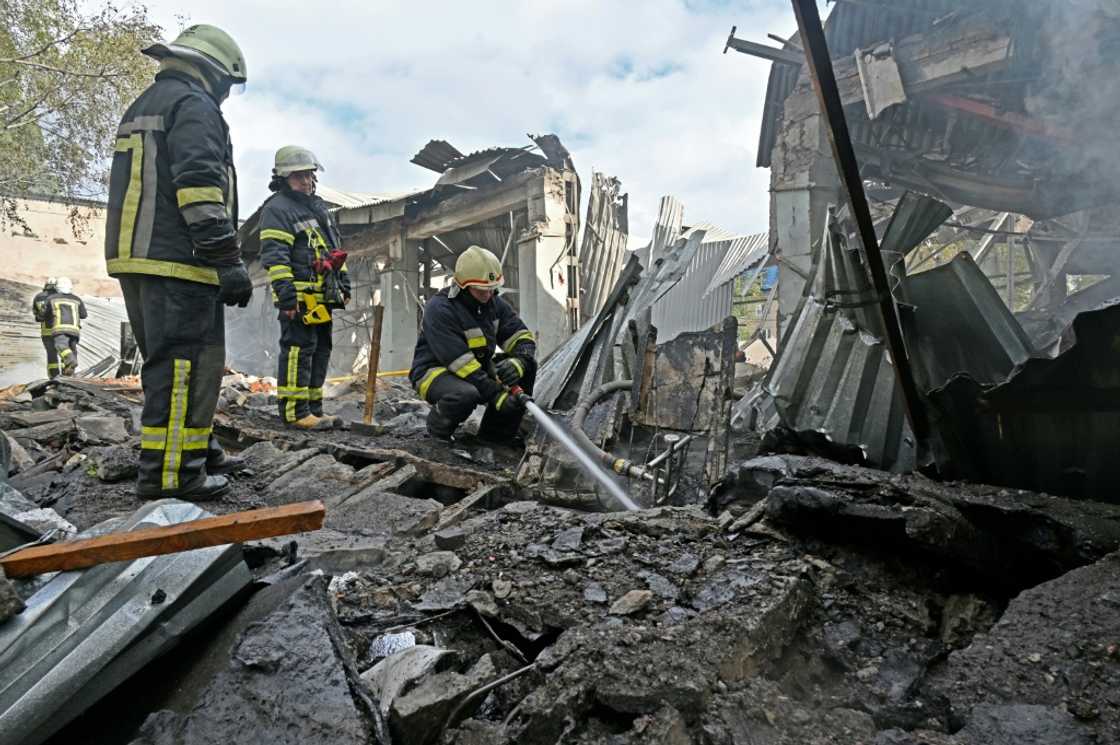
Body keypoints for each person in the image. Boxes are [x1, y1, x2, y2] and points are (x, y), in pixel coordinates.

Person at [104, 24, 251, 500]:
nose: (226, 96)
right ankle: (172, 478)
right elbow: (201, 191)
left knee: (176, 366)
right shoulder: (194, 106)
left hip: (142, 261)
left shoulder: (147, 103)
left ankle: (193, 450)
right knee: (184, 369)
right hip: (179, 262)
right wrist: (227, 258)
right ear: (216, 74)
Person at [258, 146, 351, 429]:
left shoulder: (317, 207)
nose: (307, 182)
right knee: (299, 349)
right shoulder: (277, 210)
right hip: (299, 297)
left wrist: (343, 283)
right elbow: (276, 256)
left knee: (320, 348)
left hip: (322, 294)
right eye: (299, 177)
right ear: (284, 178)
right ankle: (295, 414)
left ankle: (313, 409)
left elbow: (334, 250)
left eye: (309, 176)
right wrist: (286, 297)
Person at [409, 245, 537, 443]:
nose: (488, 297)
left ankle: (495, 439)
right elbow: (461, 364)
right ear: (463, 286)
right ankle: (437, 436)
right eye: (481, 291)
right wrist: (497, 395)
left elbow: (521, 336)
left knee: (527, 367)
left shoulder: (494, 304)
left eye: (491, 290)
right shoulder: (440, 310)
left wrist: (519, 362)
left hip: (476, 370)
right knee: (465, 394)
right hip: (434, 371)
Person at [39, 277, 86, 376]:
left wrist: (41, 317)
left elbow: (43, 314)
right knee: (72, 350)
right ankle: (68, 373)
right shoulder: (77, 299)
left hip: (60, 329)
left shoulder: (51, 298)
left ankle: (70, 361)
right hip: (75, 330)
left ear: (57, 287)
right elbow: (83, 315)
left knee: (60, 346)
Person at [31, 278, 59, 378]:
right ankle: (68, 374)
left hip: (46, 332)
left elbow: (36, 316)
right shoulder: (60, 296)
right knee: (65, 352)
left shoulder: (38, 297)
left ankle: (53, 377)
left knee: (51, 355)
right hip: (60, 330)